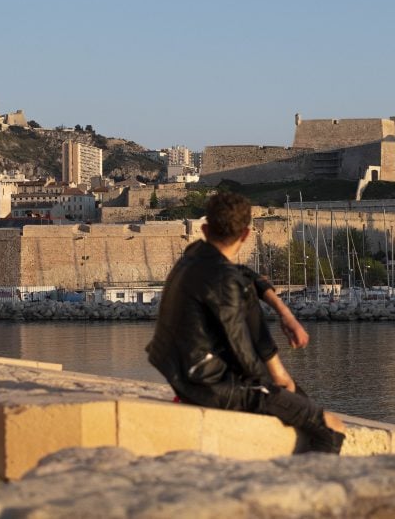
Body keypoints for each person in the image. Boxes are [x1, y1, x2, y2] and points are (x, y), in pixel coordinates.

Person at [147, 192, 345, 453]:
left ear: (205, 229)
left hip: (182, 371)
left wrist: (283, 311)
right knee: (329, 425)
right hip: (206, 385)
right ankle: (315, 485)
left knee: (300, 401)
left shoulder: (195, 255)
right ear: (246, 234)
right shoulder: (224, 280)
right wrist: (275, 381)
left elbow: (244, 274)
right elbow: (243, 352)